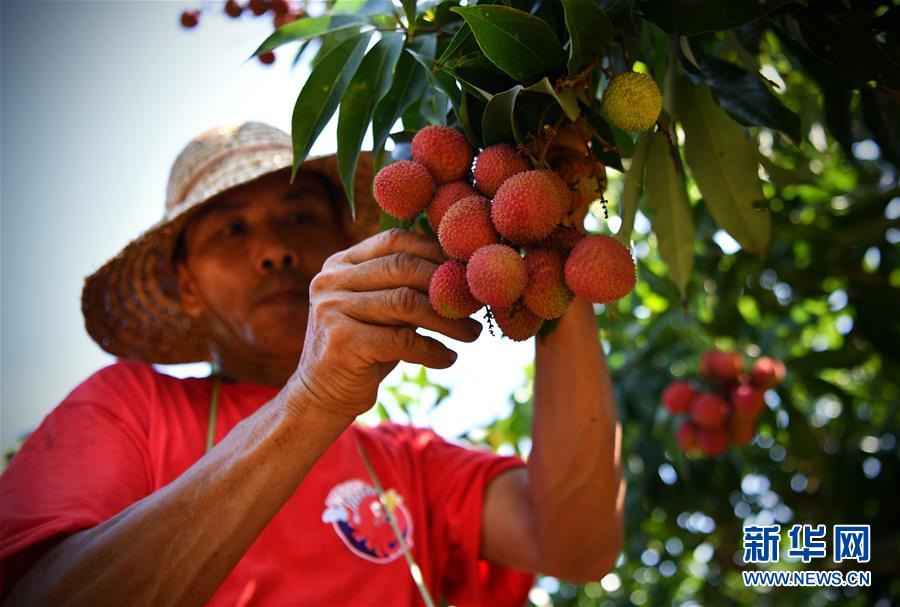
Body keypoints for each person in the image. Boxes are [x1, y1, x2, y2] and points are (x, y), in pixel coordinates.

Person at [0, 122, 624, 606]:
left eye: (298, 217)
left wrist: (550, 239)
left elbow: (575, 543)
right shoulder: (128, 407)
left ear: (343, 247)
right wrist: (313, 400)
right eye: (230, 231)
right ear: (186, 285)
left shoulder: (408, 461)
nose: (272, 249)